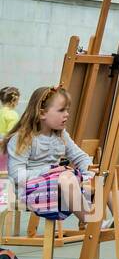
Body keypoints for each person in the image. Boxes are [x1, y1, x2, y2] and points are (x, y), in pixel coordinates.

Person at [4, 86, 94, 223]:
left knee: (104, 176)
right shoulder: (22, 138)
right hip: (29, 192)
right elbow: (17, 175)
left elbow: (80, 157)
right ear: (42, 114)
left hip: (55, 186)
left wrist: (89, 174)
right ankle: (91, 222)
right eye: (61, 110)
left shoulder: (61, 135)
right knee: (67, 177)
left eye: (67, 110)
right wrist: (50, 172)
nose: (67, 114)